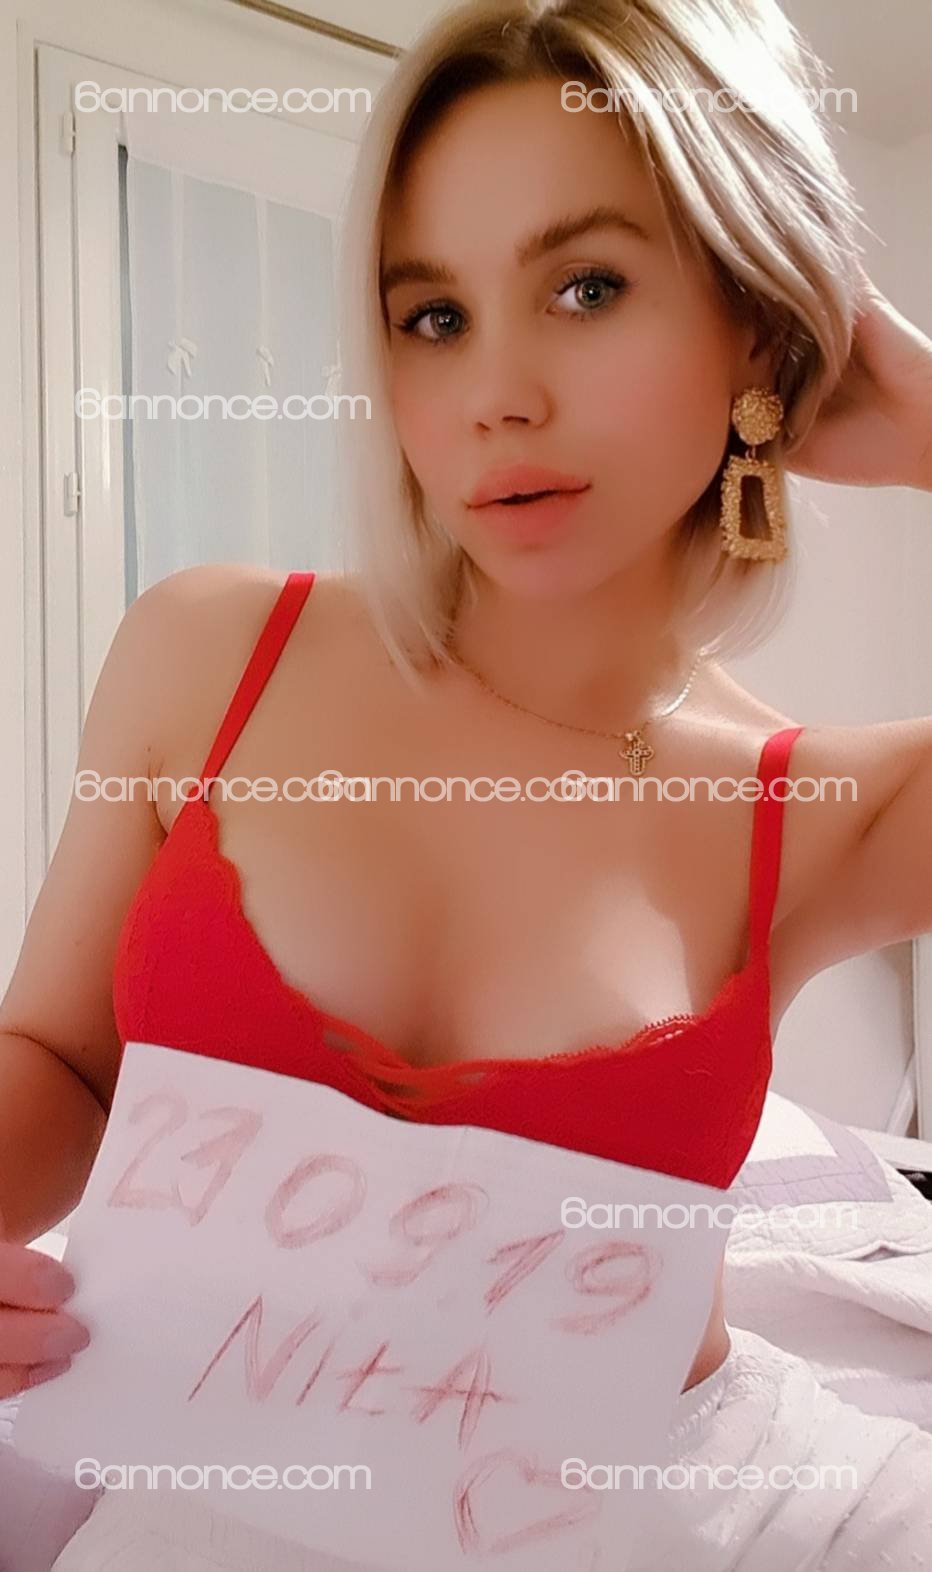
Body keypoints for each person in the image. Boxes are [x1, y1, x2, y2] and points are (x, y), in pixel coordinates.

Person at [2, 0, 932, 1566]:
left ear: (761, 331)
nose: (494, 392)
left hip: (681, 1516)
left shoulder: (822, 811)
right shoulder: (214, 653)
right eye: (432, 313)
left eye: (587, 287)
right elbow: (63, 1061)